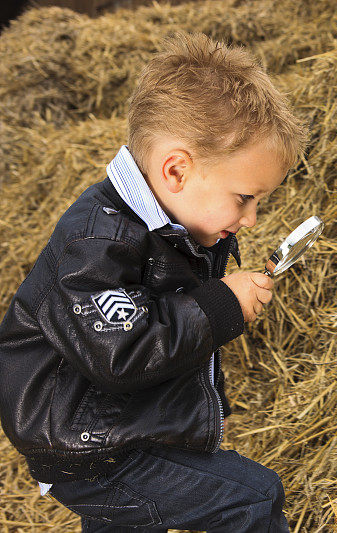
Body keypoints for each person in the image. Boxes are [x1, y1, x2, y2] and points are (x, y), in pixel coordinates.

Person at [0, 31, 307, 532]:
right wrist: (220, 305)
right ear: (176, 170)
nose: (251, 218)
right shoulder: (97, 241)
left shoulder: (174, 222)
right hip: (90, 446)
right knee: (252, 499)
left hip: (112, 429)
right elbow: (120, 352)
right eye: (244, 198)